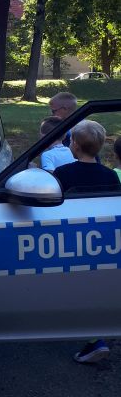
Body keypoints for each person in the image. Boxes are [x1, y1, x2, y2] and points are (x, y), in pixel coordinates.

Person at [52, 120, 120, 363]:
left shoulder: (63, 173)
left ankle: (92, 338)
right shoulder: (110, 175)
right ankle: (95, 336)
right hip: (102, 239)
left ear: (76, 146)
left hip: (69, 239)